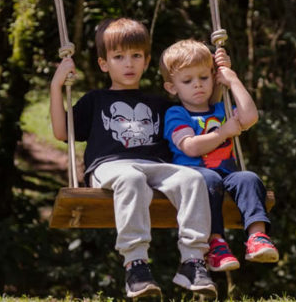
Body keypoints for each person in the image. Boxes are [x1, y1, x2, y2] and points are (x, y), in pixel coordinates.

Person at [50, 19, 217, 298]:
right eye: (119, 57)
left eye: (136, 56)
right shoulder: (96, 100)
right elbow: (60, 131)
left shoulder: (162, 104)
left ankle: (192, 261)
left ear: (147, 60)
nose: (129, 64)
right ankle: (136, 265)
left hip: (155, 166)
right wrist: (56, 86)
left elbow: (203, 107)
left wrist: (223, 76)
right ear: (104, 64)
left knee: (192, 178)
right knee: (132, 178)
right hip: (111, 166)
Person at [159, 39, 279, 272]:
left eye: (204, 78)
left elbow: (250, 117)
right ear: (172, 87)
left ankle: (257, 238)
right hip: (194, 177)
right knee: (209, 180)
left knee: (249, 178)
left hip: (227, 175)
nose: (198, 85)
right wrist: (223, 132)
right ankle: (216, 243)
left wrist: (232, 79)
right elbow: (191, 147)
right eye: (187, 80)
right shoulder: (177, 114)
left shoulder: (221, 109)